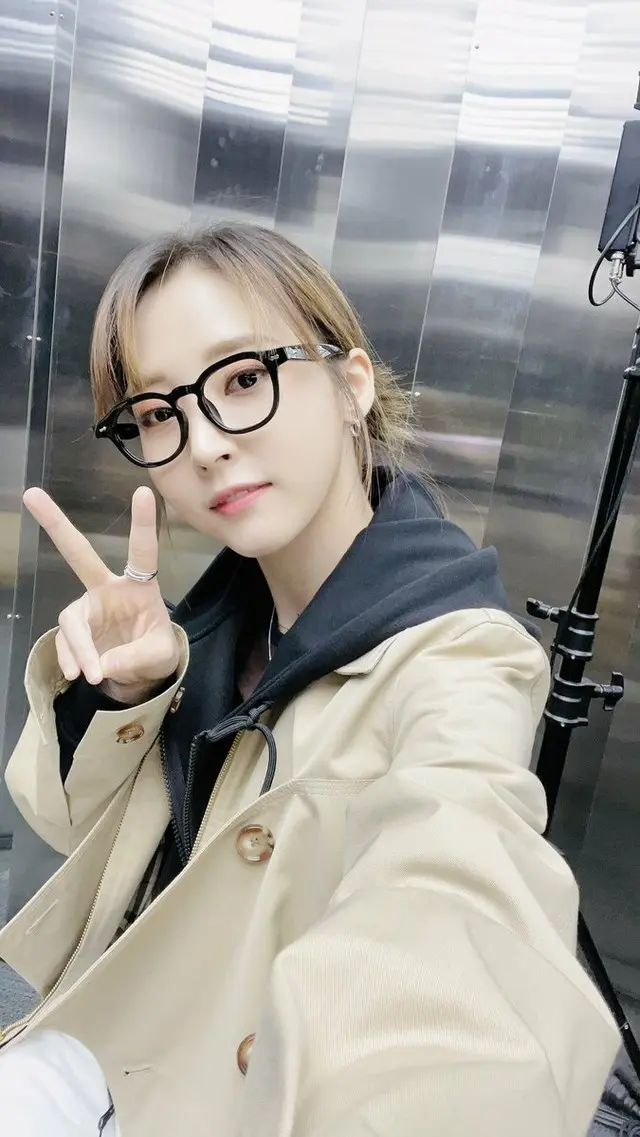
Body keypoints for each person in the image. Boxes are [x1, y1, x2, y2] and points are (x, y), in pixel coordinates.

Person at [0, 222, 619, 1137]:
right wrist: (125, 695)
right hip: (111, 1042)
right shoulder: (216, 619)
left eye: (243, 378)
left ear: (351, 385)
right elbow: (58, 821)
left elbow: (462, 882)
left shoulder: (457, 655)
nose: (203, 442)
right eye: (158, 412)